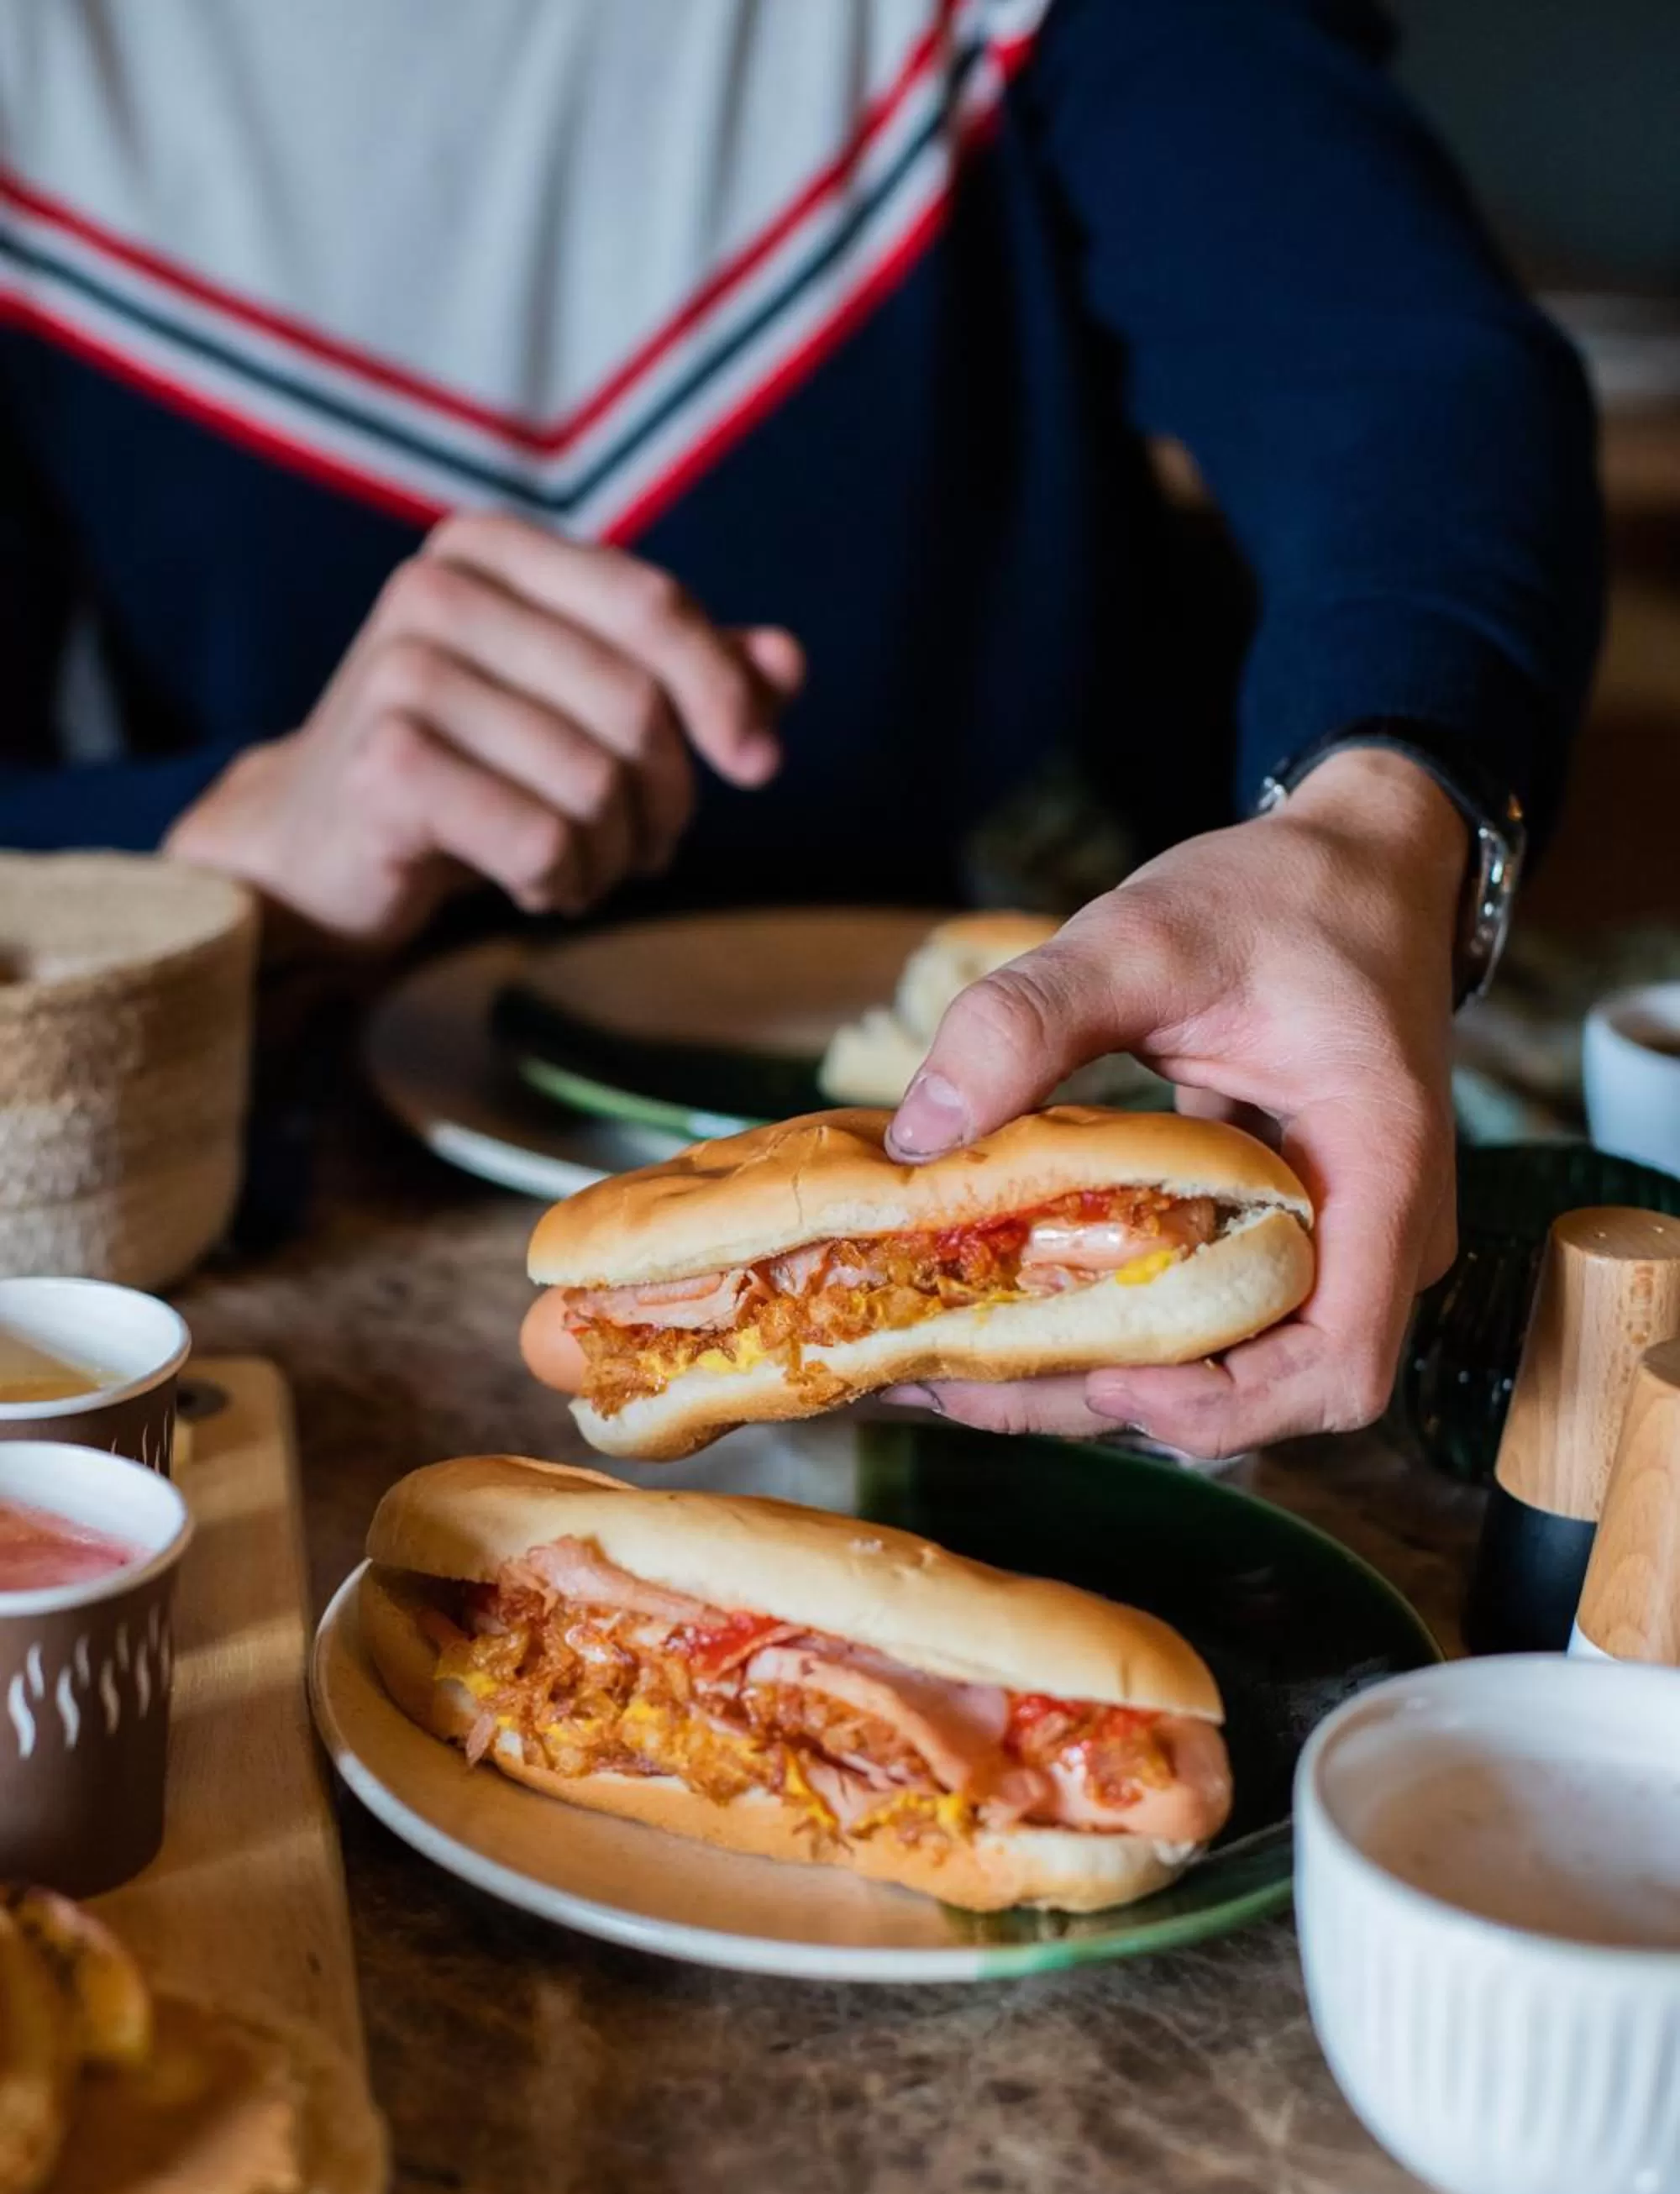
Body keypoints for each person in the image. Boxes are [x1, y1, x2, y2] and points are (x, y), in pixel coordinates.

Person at [0, 0, 1601, 1453]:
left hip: (1100, 1082)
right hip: (275, 1190)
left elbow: (1405, 368)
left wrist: (1373, 816)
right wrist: (223, 833)